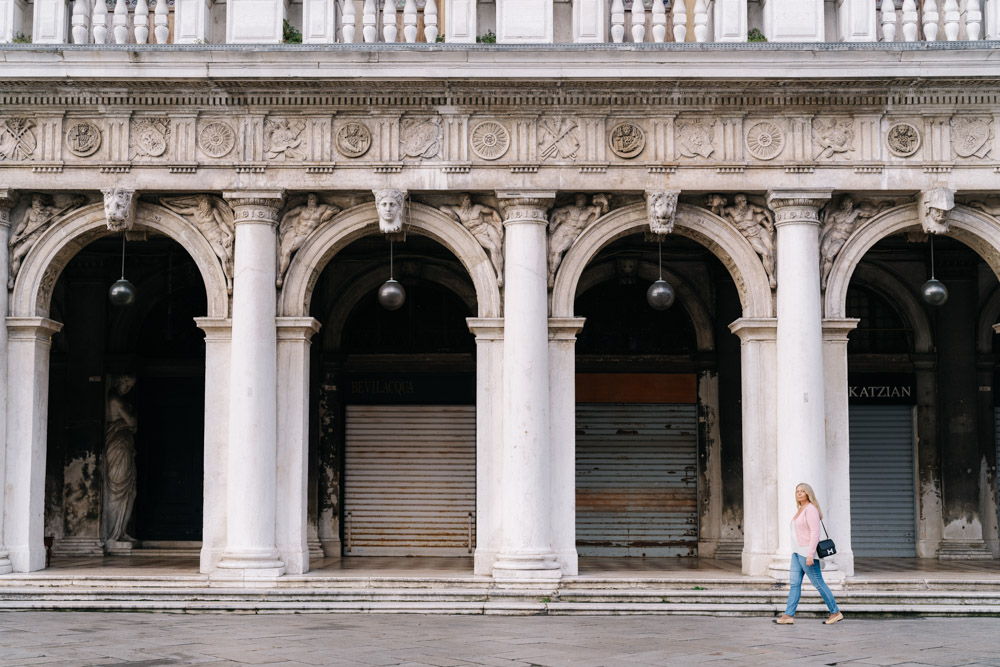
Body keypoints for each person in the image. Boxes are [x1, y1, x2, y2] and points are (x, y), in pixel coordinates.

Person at [773, 483, 843, 625]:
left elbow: (815, 532)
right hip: (796, 553)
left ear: (808, 493)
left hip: (806, 553)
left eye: (802, 491)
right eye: (797, 491)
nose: (799, 493)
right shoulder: (800, 509)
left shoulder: (810, 509)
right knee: (794, 584)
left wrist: (811, 554)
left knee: (818, 583)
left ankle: (835, 612)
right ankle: (788, 615)